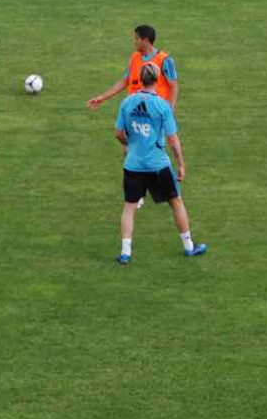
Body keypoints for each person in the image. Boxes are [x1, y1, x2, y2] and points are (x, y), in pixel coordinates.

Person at [114, 63, 207, 265]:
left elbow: (119, 134)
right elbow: (173, 140)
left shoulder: (127, 102)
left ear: (140, 79)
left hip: (133, 165)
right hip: (158, 165)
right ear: (157, 80)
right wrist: (181, 164)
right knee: (176, 202)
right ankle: (189, 246)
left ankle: (125, 252)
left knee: (129, 208)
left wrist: (130, 145)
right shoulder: (162, 106)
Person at [86, 24, 178, 111]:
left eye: (137, 39)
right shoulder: (135, 57)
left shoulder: (165, 60)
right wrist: (102, 98)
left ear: (146, 41)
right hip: (135, 112)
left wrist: (170, 111)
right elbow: (125, 81)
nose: (134, 42)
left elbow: (173, 86)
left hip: (156, 112)